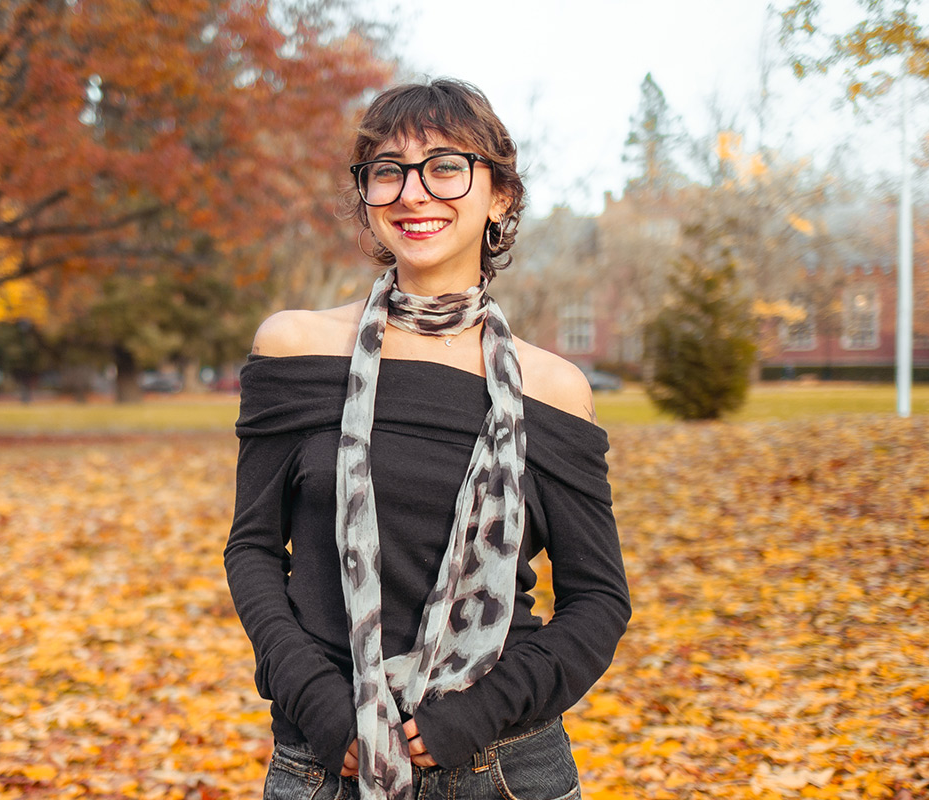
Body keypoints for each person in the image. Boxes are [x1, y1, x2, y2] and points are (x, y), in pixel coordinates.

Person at [225, 78, 631, 800]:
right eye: (388, 171)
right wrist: (320, 705)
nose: (414, 193)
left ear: (499, 195)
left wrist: (472, 717)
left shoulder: (552, 387)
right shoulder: (297, 349)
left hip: (504, 767)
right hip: (325, 764)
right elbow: (253, 549)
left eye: (445, 167)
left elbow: (599, 600)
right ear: (368, 196)